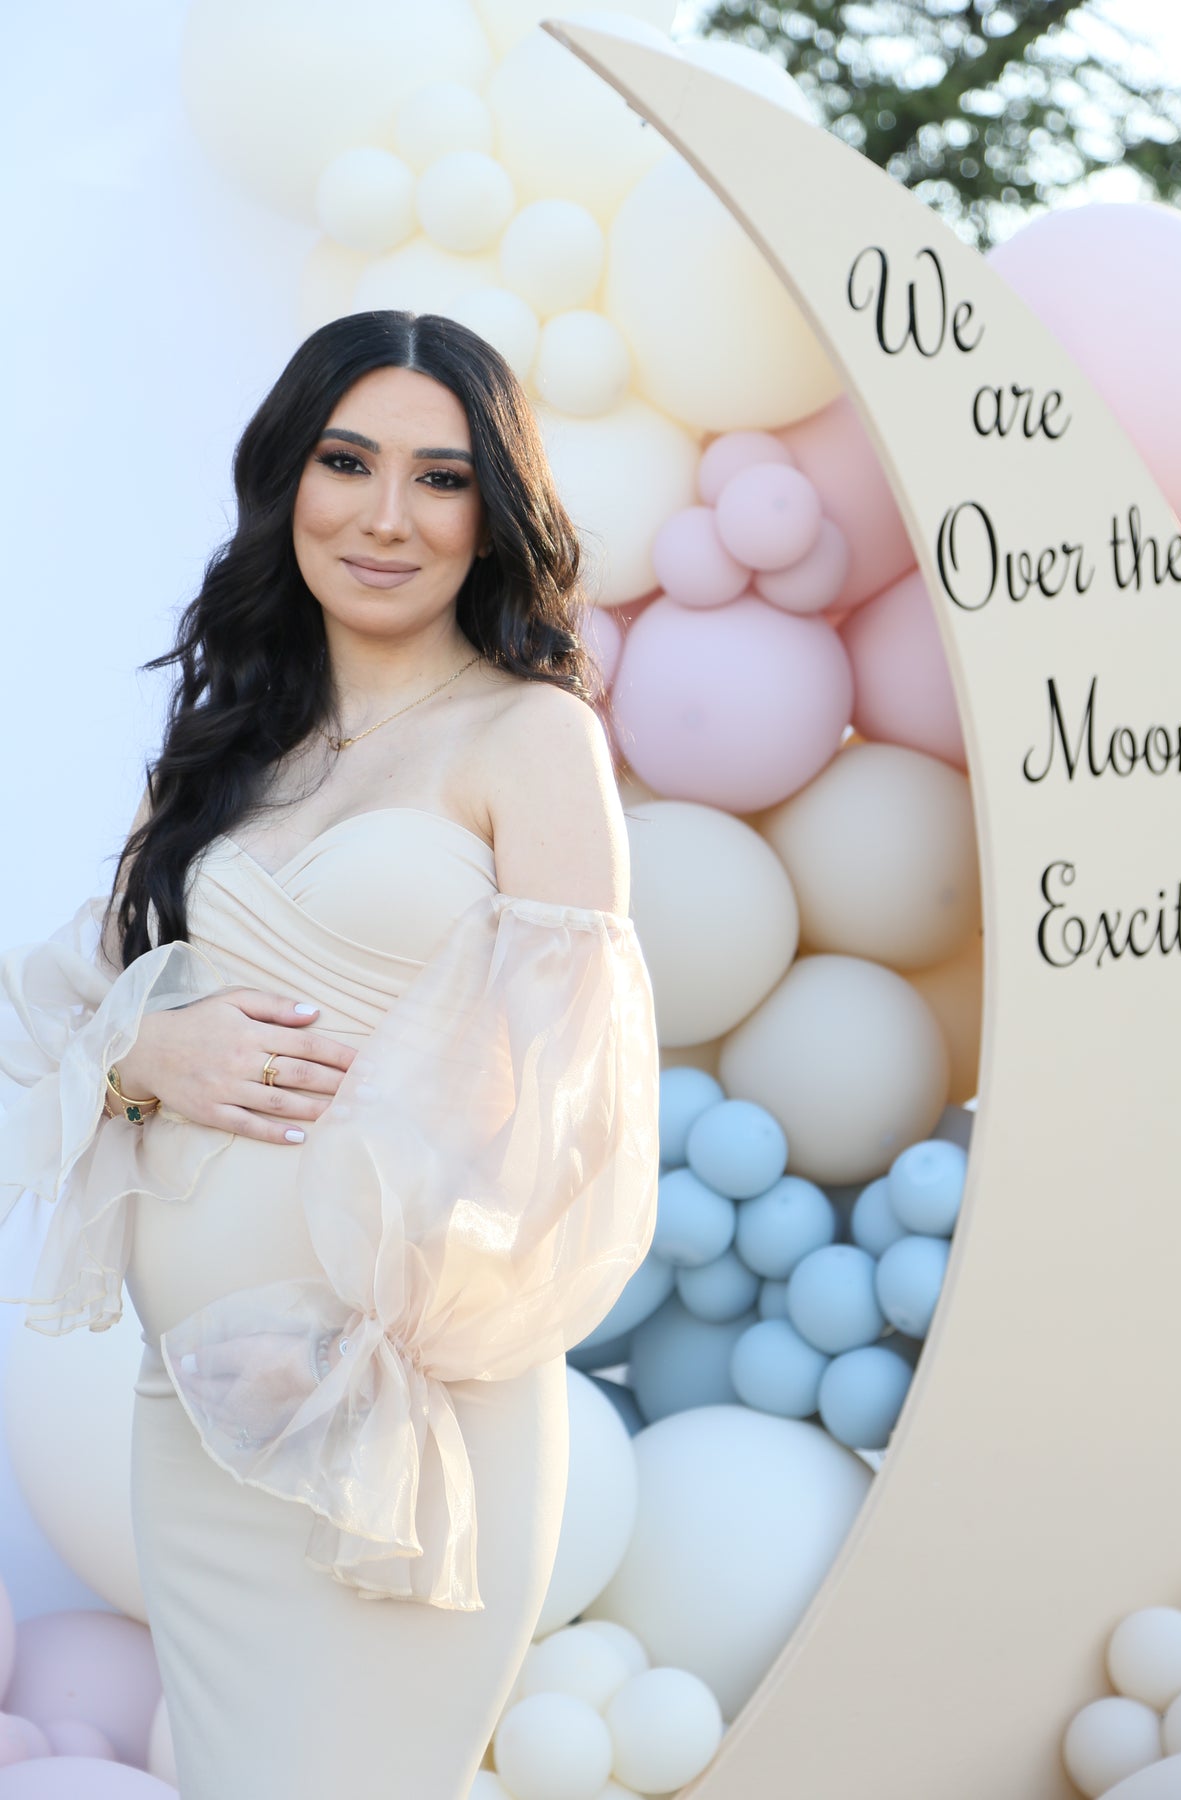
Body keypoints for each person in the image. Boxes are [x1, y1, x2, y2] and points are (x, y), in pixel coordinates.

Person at [0, 310, 660, 1798]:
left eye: (441, 478)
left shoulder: (531, 739)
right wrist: (143, 1058)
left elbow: (579, 1124)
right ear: (285, 479)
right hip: (198, 1423)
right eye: (347, 462)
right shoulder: (222, 754)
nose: (386, 516)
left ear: (493, 512)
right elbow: (55, 1008)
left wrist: (375, 1337)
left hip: (400, 1433)